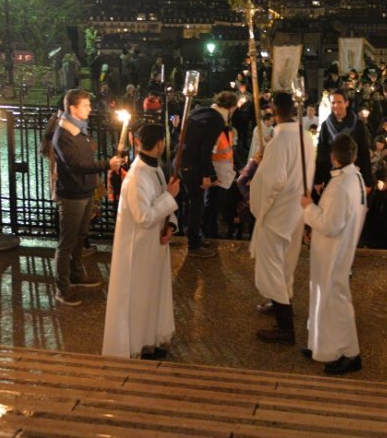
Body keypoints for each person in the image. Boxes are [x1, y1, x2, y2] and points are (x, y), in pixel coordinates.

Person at [102, 123, 181, 359]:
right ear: (160, 144)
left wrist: (171, 225)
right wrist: (170, 197)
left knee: (153, 295)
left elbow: (160, 202)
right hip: (138, 250)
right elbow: (144, 216)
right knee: (139, 298)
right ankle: (138, 343)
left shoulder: (154, 169)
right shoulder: (136, 177)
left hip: (154, 245)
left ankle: (152, 337)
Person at [47, 89, 124, 306]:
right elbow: (76, 165)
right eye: (86, 105)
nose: (90, 109)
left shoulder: (80, 129)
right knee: (66, 242)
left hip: (85, 191)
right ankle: (62, 288)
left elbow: (85, 157)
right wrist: (105, 165)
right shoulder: (63, 134)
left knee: (81, 236)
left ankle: (77, 274)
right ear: (73, 108)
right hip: (72, 195)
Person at [250, 91, 315, 344]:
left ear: (274, 112)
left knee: (272, 267)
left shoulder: (279, 142)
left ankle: (285, 327)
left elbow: (272, 181)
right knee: (286, 263)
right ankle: (282, 303)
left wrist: (258, 204)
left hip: (278, 213)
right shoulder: (306, 137)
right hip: (297, 209)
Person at [301, 134, 366, 374]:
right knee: (323, 298)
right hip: (331, 249)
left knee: (336, 301)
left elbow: (330, 224)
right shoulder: (352, 178)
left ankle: (350, 353)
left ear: (332, 156)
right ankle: (322, 345)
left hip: (334, 252)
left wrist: (308, 208)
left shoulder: (342, 186)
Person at [177, 90, 239, 258]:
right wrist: (206, 175)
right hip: (193, 165)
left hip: (182, 162)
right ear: (231, 107)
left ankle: (194, 236)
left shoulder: (201, 112)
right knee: (196, 205)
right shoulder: (216, 120)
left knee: (191, 203)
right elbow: (205, 149)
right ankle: (193, 245)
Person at [314, 90, 374, 193]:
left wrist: (367, 181)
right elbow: (322, 153)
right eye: (333, 103)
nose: (336, 105)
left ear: (346, 103)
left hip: (353, 174)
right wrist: (318, 179)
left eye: (339, 102)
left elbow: (364, 153)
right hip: (331, 175)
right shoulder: (326, 126)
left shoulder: (358, 125)